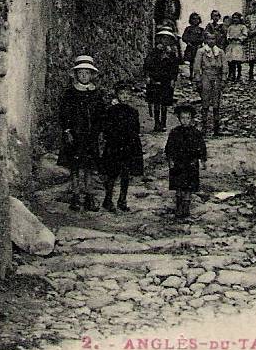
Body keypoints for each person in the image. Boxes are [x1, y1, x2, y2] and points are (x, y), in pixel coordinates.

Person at [57, 55, 106, 211]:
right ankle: (76, 195)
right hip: (75, 134)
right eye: (80, 73)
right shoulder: (70, 94)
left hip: (91, 135)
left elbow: (101, 114)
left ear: (91, 75)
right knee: (76, 166)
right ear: (76, 74)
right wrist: (67, 130)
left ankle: (90, 196)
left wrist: (100, 131)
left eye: (86, 73)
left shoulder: (97, 94)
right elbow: (64, 114)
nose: (83, 76)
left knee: (90, 167)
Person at [101, 81, 144, 213]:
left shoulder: (133, 112)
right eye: (122, 94)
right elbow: (107, 128)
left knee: (125, 173)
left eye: (127, 94)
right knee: (112, 174)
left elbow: (135, 129)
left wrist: (134, 145)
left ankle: (122, 200)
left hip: (128, 147)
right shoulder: (111, 111)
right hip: (114, 146)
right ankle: (107, 199)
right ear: (117, 95)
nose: (125, 96)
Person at [165, 102, 207, 220]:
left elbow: (202, 147)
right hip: (178, 163)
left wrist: (202, 159)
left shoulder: (196, 133)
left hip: (191, 163)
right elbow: (169, 147)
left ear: (191, 119)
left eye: (188, 118)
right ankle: (178, 207)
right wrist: (170, 159)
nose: (185, 120)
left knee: (189, 186)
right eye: (183, 118)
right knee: (178, 185)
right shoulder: (174, 132)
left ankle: (186, 208)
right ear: (179, 118)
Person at [143, 26, 179, 132]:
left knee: (164, 103)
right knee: (156, 102)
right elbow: (147, 64)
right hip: (155, 79)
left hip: (166, 80)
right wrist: (148, 76)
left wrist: (173, 79)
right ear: (160, 39)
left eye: (167, 39)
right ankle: (156, 123)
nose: (165, 41)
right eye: (163, 38)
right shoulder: (154, 52)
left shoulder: (172, 54)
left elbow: (175, 67)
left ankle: (163, 123)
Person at [194, 29, 227, 136]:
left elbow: (225, 66)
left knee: (216, 102)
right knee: (205, 101)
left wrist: (223, 79)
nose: (211, 41)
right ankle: (204, 127)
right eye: (209, 38)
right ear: (205, 39)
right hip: (206, 76)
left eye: (213, 38)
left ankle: (216, 128)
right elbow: (197, 67)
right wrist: (198, 80)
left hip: (216, 76)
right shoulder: (201, 51)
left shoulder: (220, 52)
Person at [181, 12, 204, 78]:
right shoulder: (188, 29)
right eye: (193, 19)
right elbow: (184, 37)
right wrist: (188, 42)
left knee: (199, 61)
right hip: (190, 47)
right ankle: (191, 75)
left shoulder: (201, 30)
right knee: (191, 62)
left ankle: (198, 75)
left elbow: (203, 38)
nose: (195, 20)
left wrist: (200, 43)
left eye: (197, 19)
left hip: (198, 47)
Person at [225, 12, 247, 80]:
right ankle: (232, 74)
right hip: (231, 45)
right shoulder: (230, 27)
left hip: (238, 45)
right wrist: (229, 38)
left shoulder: (242, 27)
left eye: (237, 18)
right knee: (231, 61)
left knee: (238, 61)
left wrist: (239, 38)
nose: (235, 19)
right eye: (234, 18)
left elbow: (245, 35)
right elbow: (228, 34)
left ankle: (239, 75)